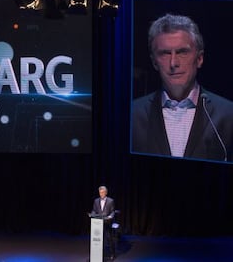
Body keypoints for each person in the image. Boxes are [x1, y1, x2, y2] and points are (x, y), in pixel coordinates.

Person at [132, 13, 233, 162]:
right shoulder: (132, 114)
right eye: (165, 53)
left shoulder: (228, 114)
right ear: (154, 63)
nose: (173, 63)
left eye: (182, 52)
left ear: (199, 59)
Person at [90, 185, 115, 260]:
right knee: (99, 239)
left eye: (103, 192)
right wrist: (92, 214)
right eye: (100, 192)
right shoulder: (96, 201)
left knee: (109, 239)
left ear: (106, 193)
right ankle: (99, 254)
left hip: (107, 223)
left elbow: (112, 212)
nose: (101, 194)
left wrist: (110, 216)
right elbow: (94, 210)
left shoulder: (111, 201)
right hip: (98, 223)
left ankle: (112, 254)